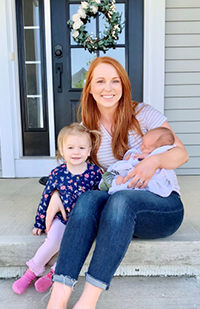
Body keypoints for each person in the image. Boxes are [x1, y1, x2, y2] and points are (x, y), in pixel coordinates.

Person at [46, 56, 189, 309]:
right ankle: (58, 298)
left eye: (115, 81)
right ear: (89, 87)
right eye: (100, 81)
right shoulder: (86, 128)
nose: (108, 88)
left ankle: (87, 303)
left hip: (163, 208)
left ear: (123, 86)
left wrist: (153, 162)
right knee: (89, 198)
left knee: (120, 200)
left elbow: (182, 153)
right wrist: (57, 193)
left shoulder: (142, 114)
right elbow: (75, 170)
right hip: (117, 206)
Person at [12, 123, 102, 295]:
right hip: (61, 218)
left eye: (82, 148)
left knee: (74, 246)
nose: (76, 152)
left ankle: (53, 275)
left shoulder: (95, 173)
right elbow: (46, 198)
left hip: (83, 222)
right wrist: (39, 222)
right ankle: (30, 274)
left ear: (89, 151)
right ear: (62, 149)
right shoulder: (57, 173)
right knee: (53, 242)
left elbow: (99, 198)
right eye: (70, 147)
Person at [99, 126, 178, 197]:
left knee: (122, 195)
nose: (141, 147)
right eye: (142, 144)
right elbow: (135, 155)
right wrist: (130, 156)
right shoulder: (143, 150)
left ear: (158, 149)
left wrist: (148, 157)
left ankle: (116, 183)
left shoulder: (160, 153)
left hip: (148, 184)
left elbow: (179, 154)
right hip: (134, 175)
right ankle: (114, 181)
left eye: (145, 147)